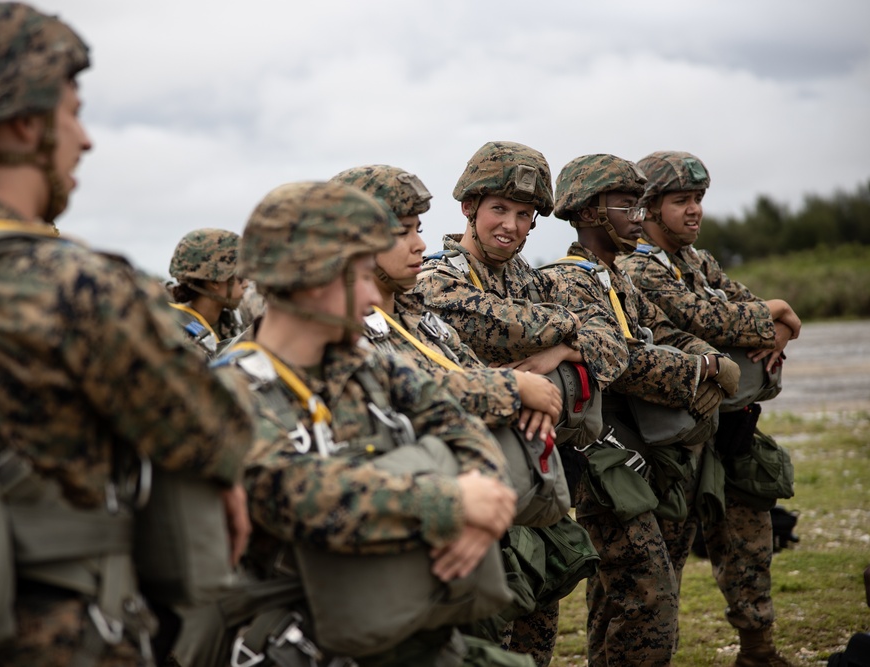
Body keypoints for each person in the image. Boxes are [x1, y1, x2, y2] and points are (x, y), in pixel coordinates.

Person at [0, 3, 252, 664]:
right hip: (63, 636)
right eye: (72, 113)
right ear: (28, 125)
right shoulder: (82, 286)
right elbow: (216, 434)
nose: (84, 139)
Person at [218, 180, 531, 666]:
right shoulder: (227, 389)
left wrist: (481, 508)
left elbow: (461, 426)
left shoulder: (369, 365)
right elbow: (288, 492)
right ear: (310, 278)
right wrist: (450, 503)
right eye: (360, 275)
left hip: (404, 628)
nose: (372, 294)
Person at [411, 142, 629, 665]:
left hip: (539, 475)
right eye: (499, 210)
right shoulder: (437, 278)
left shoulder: (531, 281)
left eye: (525, 215)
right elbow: (496, 322)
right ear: (469, 208)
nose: (510, 225)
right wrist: (568, 336)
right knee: (491, 633)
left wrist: (554, 350)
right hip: (483, 478)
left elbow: (615, 349)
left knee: (539, 621)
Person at [546, 153, 742, 666]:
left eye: (640, 205)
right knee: (648, 594)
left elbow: (669, 333)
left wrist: (709, 356)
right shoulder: (570, 280)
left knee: (625, 597)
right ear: (590, 212)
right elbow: (620, 361)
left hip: (644, 453)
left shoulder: (617, 276)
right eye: (626, 205)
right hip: (604, 462)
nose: (638, 216)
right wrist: (698, 375)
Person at [617, 150, 802, 667]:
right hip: (672, 440)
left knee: (750, 542)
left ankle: (758, 652)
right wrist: (776, 315)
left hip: (728, 431)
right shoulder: (635, 266)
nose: (694, 210)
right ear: (649, 209)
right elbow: (713, 320)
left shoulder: (698, 261)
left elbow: (744, 310)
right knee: (661, 564)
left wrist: (780, 321)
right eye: (681, 201)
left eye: (698, 199)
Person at [330, 164, 562, 442]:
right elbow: (399, 396)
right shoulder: (336, 331)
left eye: (418, 229)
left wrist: (531, 391)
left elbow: (473, 373)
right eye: (402, 232)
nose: (420, 245)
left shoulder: (420, 321)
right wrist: (516, 388)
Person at [167, 228, 248, 358]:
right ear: (215, 282)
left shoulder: (233, 319)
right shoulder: (174, 334)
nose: (246, 284)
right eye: (240, 277)